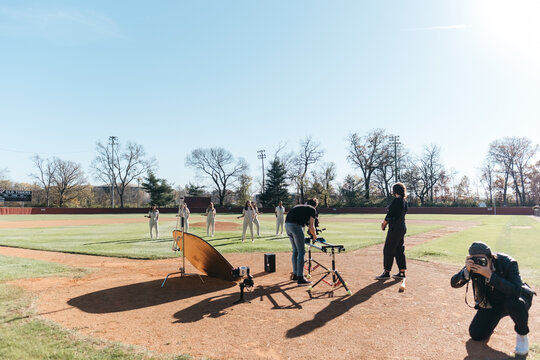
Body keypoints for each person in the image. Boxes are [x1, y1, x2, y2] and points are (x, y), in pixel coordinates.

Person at [451, 241, 533, 356]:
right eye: (474, 260)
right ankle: (493, 321)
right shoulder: (473, 265)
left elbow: (516, 290)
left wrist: (490, 275)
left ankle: (522, 336)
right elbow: (454, 283)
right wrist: (466, 271)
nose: (479, 263)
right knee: (476, 334)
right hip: (492, 303)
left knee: (514, 303)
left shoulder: (508, 262)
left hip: (514, 298)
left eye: (482, 260)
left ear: (490, 258)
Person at [376, 182, 408, 280]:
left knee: (388, 249)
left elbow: (390, 215)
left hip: (395, 228)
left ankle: (386, 272)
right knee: (399, 249)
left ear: (395, 191)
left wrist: (384, 224)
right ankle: (401, 272)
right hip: (402, 227)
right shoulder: (404, 201)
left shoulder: (396, 201)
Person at [285, 198, 318, 286]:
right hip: (296, 226)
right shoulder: (312, 209)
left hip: (287, 225)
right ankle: (300, 278)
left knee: (295, 250)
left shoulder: (300, 206)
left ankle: (295, 275)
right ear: (315, 206)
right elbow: (311, 226)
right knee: (301, 251)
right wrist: (315, 237)